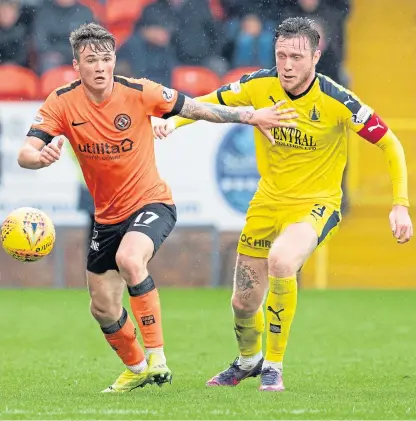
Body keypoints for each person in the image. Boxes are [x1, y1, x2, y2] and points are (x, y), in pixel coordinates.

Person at [16, 22, 298, 393]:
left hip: (152, 202)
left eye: (106, 59)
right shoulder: (62, 102)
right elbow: (25, 153)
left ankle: (157, 359)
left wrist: (250, 116)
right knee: (101, 307)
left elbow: (197, 108)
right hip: (106, 218)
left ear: (114, 60)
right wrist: (40, 158)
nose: (100, 67)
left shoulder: (140, 91)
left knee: (131, 260)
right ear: (76, 65)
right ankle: (135, 368)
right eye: (91, 60)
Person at [153, 17, 413, 392]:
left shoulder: (337, 100)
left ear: (316, 56)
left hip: (316, 204)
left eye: (296, 56)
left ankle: (274, 365)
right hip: (266, 203)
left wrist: (400, 204)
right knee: (243, 303)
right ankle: (248, 361)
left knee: (282, 261)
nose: (287, 65)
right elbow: (210, 103)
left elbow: (390, 143)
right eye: (281, 55)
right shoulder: (260, 85)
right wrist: (173, 124)